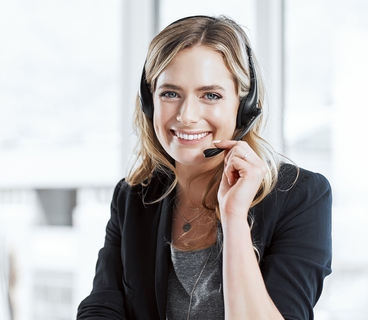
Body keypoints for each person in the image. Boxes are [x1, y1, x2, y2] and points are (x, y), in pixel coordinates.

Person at [76, 15, 332, 320]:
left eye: (210, 95)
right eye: (170, 93)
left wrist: (234, 217)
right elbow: (102, 306)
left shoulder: (300, 196)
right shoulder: (133, 196)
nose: (187, 116)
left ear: (244, 105)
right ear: (149, 101)